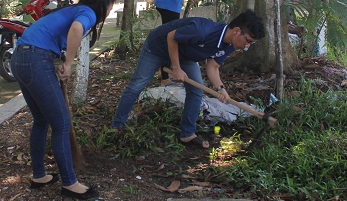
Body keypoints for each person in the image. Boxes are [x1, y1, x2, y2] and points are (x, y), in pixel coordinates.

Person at [11, 0, 115, 199]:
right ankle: (69, 183)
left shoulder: (72, 9)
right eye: (110, 6)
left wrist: (62, 57)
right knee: (61, 122)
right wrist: (68, 63)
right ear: (103, 4)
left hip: (21, 58)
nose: (110, 10)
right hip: (35, 59)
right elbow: (76, 29)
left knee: (41, 120)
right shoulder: (88, 13)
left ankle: (39, 175)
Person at [112, 10, 265, 148]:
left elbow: (213, 67)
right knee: (137, 85)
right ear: (237, 31)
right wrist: (176, 68)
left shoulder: (229, 45)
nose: (247, 46)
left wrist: (221, 89)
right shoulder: (202, 31)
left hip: (186, 54)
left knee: (196, 90)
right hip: (157, 47)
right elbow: (171, 37)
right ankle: (117, 126)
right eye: (248, 41)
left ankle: (187, 134)